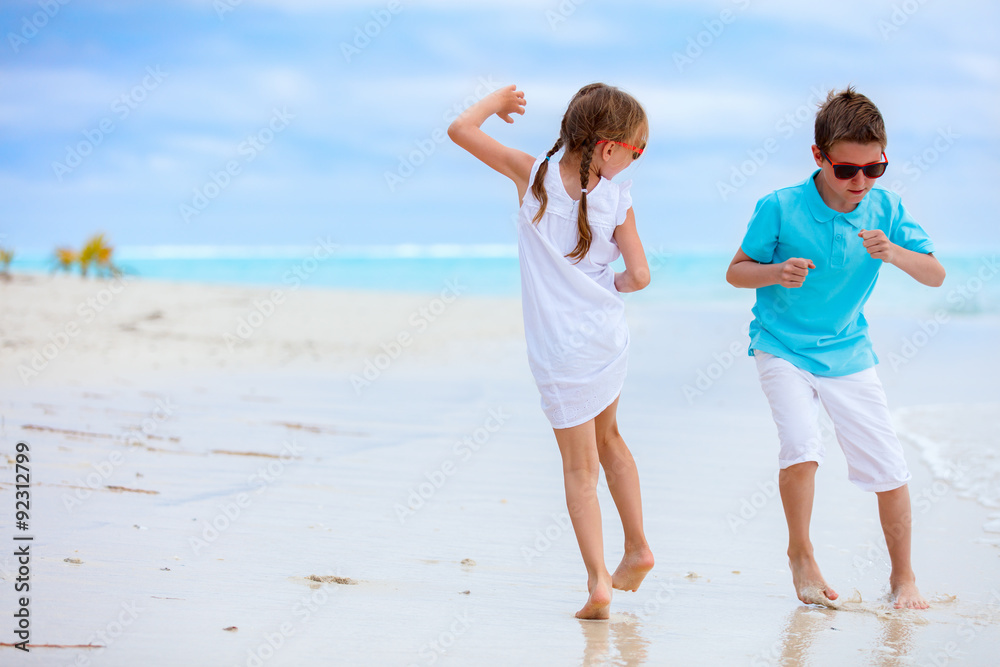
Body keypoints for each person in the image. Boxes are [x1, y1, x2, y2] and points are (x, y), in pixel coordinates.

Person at [726, 86, 945, 610]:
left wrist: (893, 253)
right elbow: (736, 271)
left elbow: (935, 274)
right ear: (819, 157)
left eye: (875, 169)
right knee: (802, 445)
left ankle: (904, 578)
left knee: (889, 466)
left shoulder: (887, 208)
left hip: (848, 350)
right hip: (781, 345)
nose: (860, 182)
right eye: (847, 170)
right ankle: (800, 555)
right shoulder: (779, 207)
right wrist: (775, 272)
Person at [448, 83, 655, 619]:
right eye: (636, 150)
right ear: (608, 147)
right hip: (605, 339)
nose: (636, 159)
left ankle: (598, 582)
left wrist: (496, 104)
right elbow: (639, 275)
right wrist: (609, 285)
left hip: (561, 350)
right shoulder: (618, 200)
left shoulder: (531, 175)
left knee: (579, 469)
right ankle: (637, 547)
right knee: (611, 440)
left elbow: (459, 130)